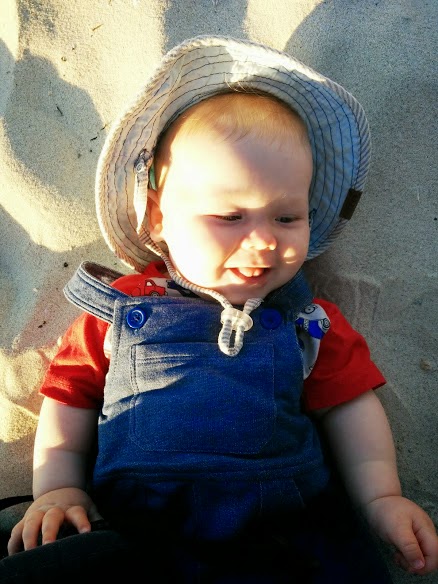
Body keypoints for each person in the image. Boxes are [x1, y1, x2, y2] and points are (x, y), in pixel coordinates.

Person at [2, 36, 437, 583]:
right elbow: (69, 399)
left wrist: (380, 496)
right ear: (158, 217)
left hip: (284, 530)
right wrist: (59, 488)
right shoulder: (119, 310)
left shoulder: (310, 322)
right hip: (137, 526)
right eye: (230, 217)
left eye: (286, 218)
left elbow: (349, 407)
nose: (263, 243)